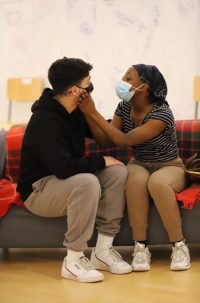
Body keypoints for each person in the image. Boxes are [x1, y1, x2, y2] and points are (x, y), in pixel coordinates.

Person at [17, 57, 132, 283]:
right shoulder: (44, 120)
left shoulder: (75, 112)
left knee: (117, 173)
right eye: (88, 82)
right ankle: (73, 260)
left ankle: (102, 251)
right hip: (38, 190)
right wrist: (101, 162)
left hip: (65, 180)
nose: (91, 87)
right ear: (74, 90)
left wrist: (131, 121)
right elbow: (64, 167)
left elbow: (104, 135)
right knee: (87, 181)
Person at [78, 63, 191, 272]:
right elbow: (105, 141)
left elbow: (124, 139)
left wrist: (93, 113)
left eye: (128, 78)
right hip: (139, 163)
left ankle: (179, 245)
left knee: (157, 183)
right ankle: (140, 247)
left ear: (144, 86)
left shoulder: (162, 113)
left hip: (169, 165)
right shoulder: (123, 108)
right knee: (134, 180)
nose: (122, 81)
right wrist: (87, 113)